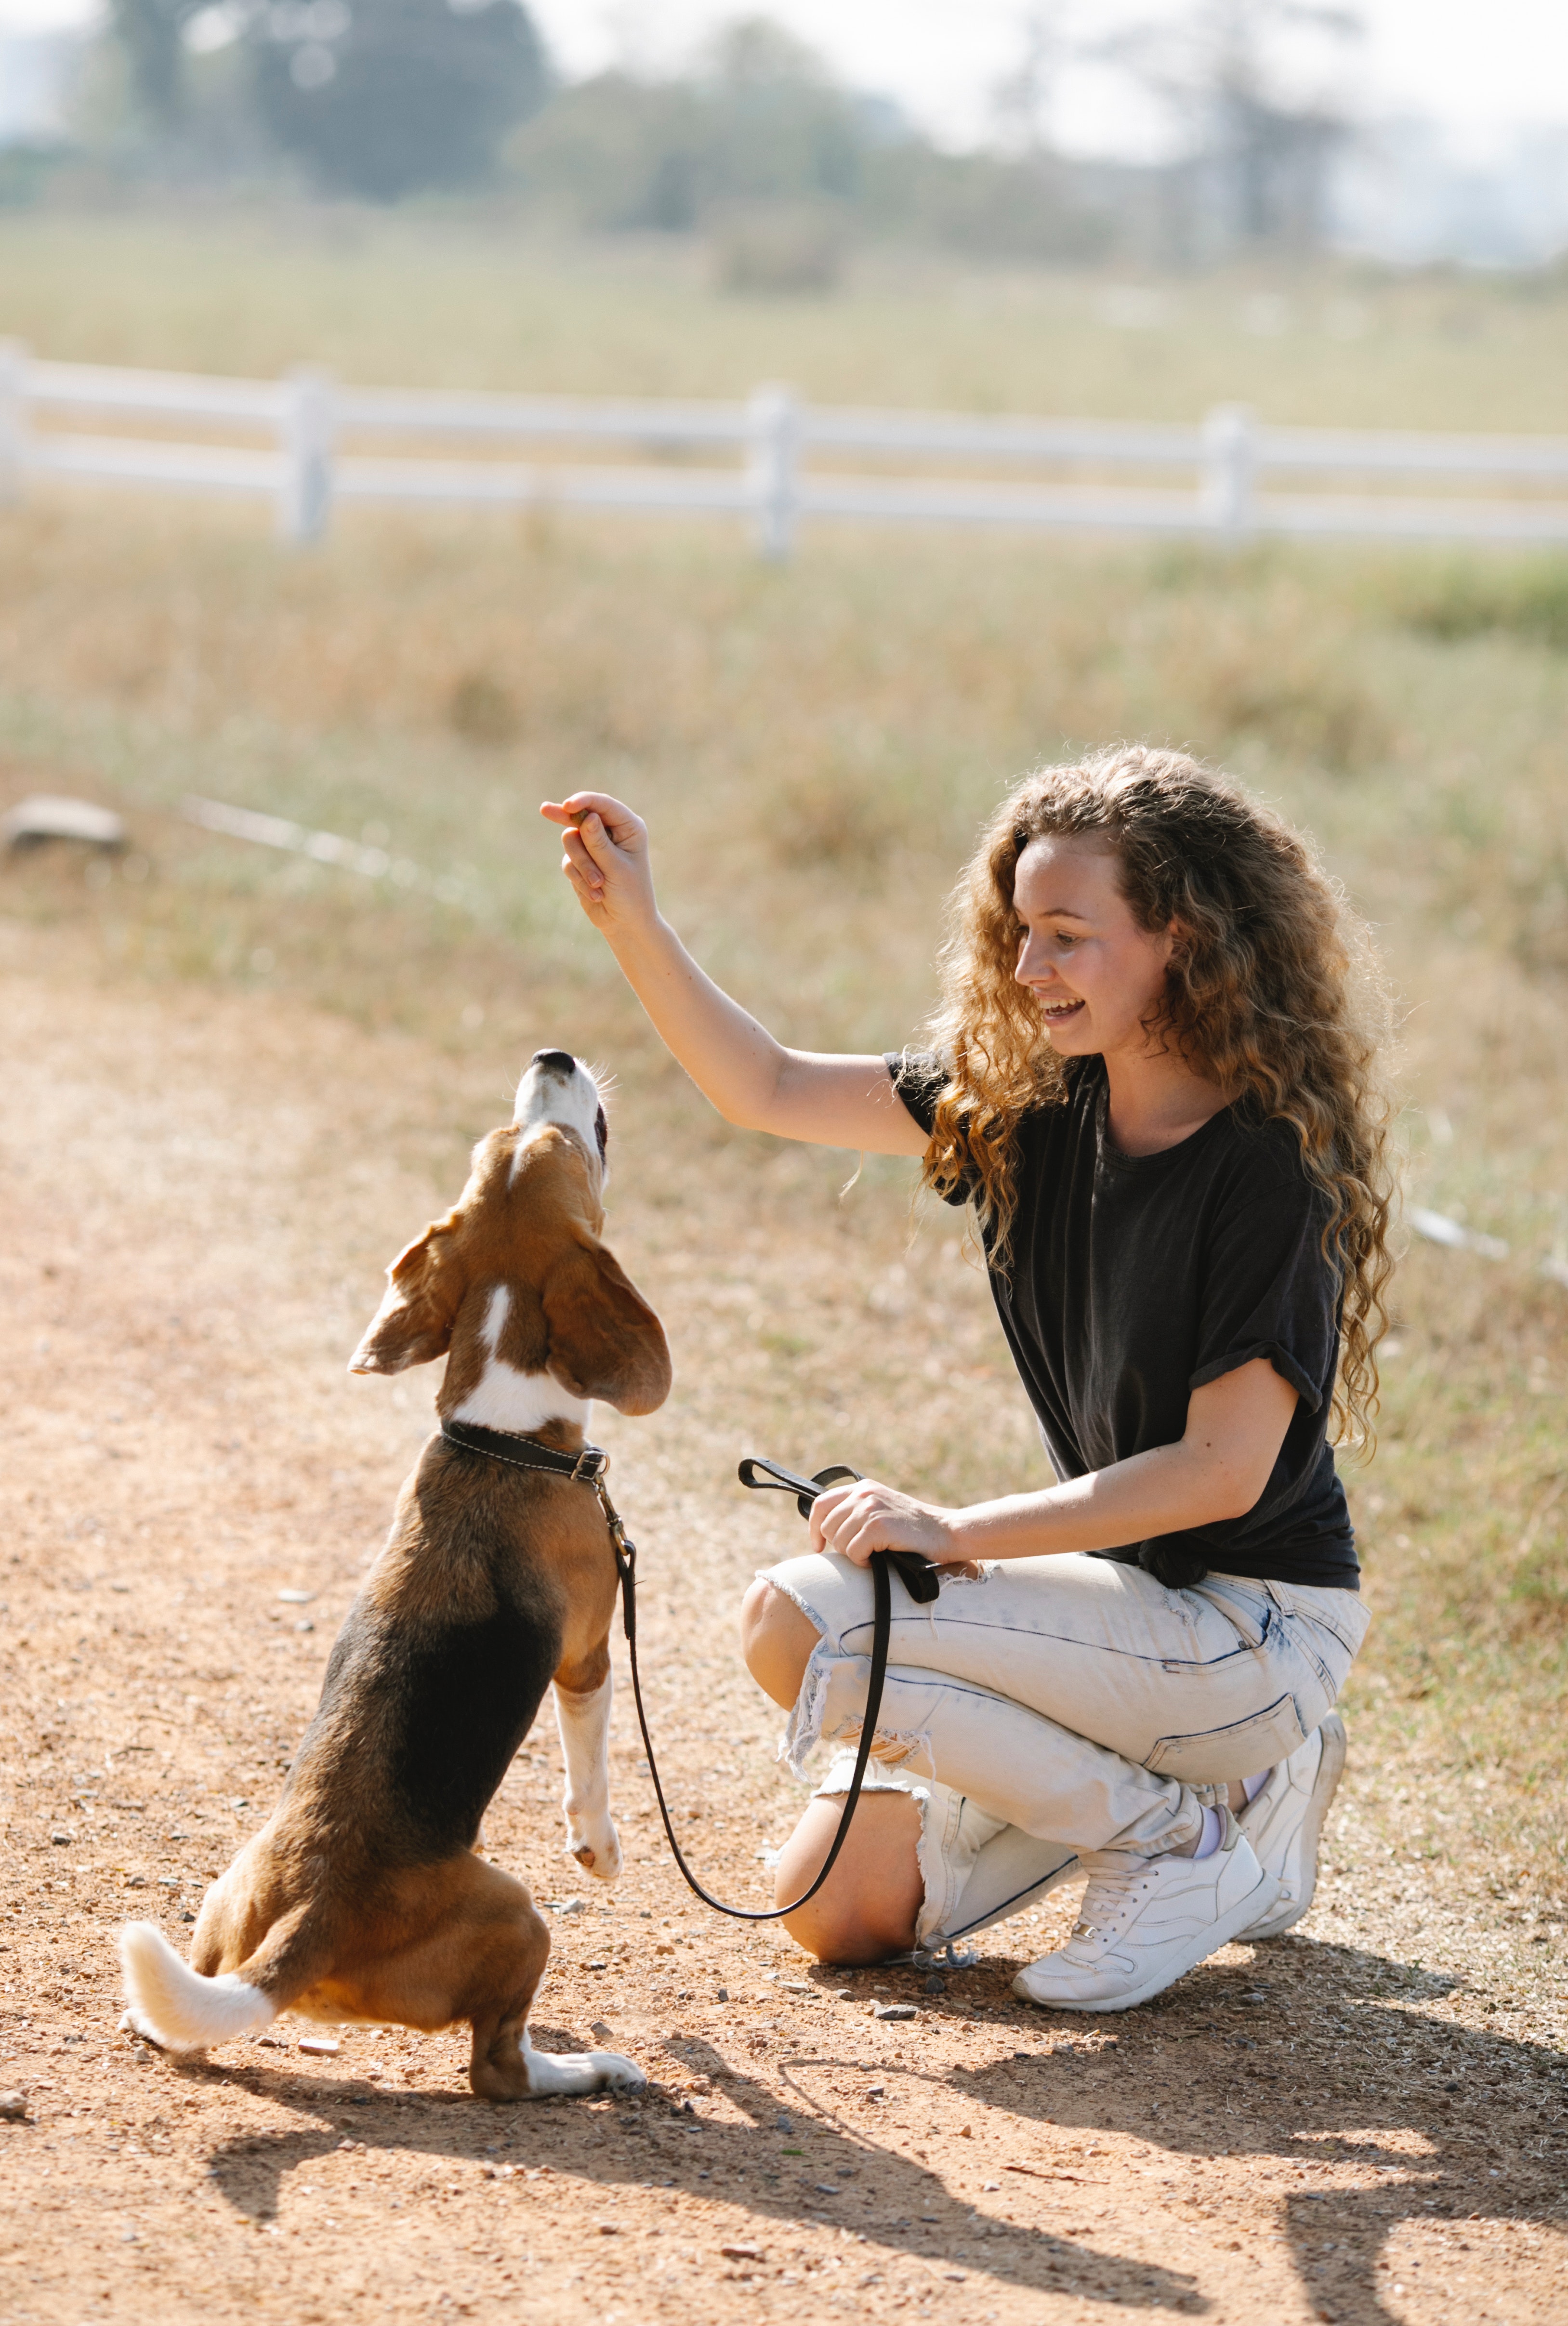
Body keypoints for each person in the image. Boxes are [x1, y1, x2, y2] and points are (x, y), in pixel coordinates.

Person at [540, 746, 1394, 2012]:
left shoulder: (1264, 1174)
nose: (1028, 967)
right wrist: (636, 921)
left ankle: (1181, 1840)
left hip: (1251, 1632)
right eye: (1018, 933)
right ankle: (1232, 1815)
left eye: (1067, 935)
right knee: (833, 1908)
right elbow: (766, 1085)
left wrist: (954, 1535)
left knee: (801, 1620)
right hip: (1131, 1621)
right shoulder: (1029, 1113)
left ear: (1180, 938)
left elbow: (1222, 1472)